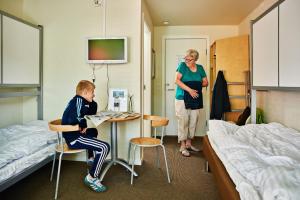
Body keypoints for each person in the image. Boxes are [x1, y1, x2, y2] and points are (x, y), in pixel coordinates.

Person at [62, 80, 110, 192]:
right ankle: (92, 178)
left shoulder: (82, 101)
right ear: (84, 92)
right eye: (92, 92)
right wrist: (82, 125)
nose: (94, 94)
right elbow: (75, 117)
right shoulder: (78, 101)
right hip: (74, 138)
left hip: (76, 134)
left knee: (93, 131)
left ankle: (91, 158)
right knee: (104, 147)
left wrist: (91, 100)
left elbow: (91, 112)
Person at [175, 49, 208, 157]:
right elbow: (177, 81)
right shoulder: (182, 66)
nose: (186, 60)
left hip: (195, 98)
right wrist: (190, 90)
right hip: (182, 98)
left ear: (195, 59)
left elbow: (205, 82)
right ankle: (183, 145)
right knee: (183, 121)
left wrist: (196, 87)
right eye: (185, 58)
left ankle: (189, 143)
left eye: (189, 59)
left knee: (194, 120)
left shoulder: (200, 68)